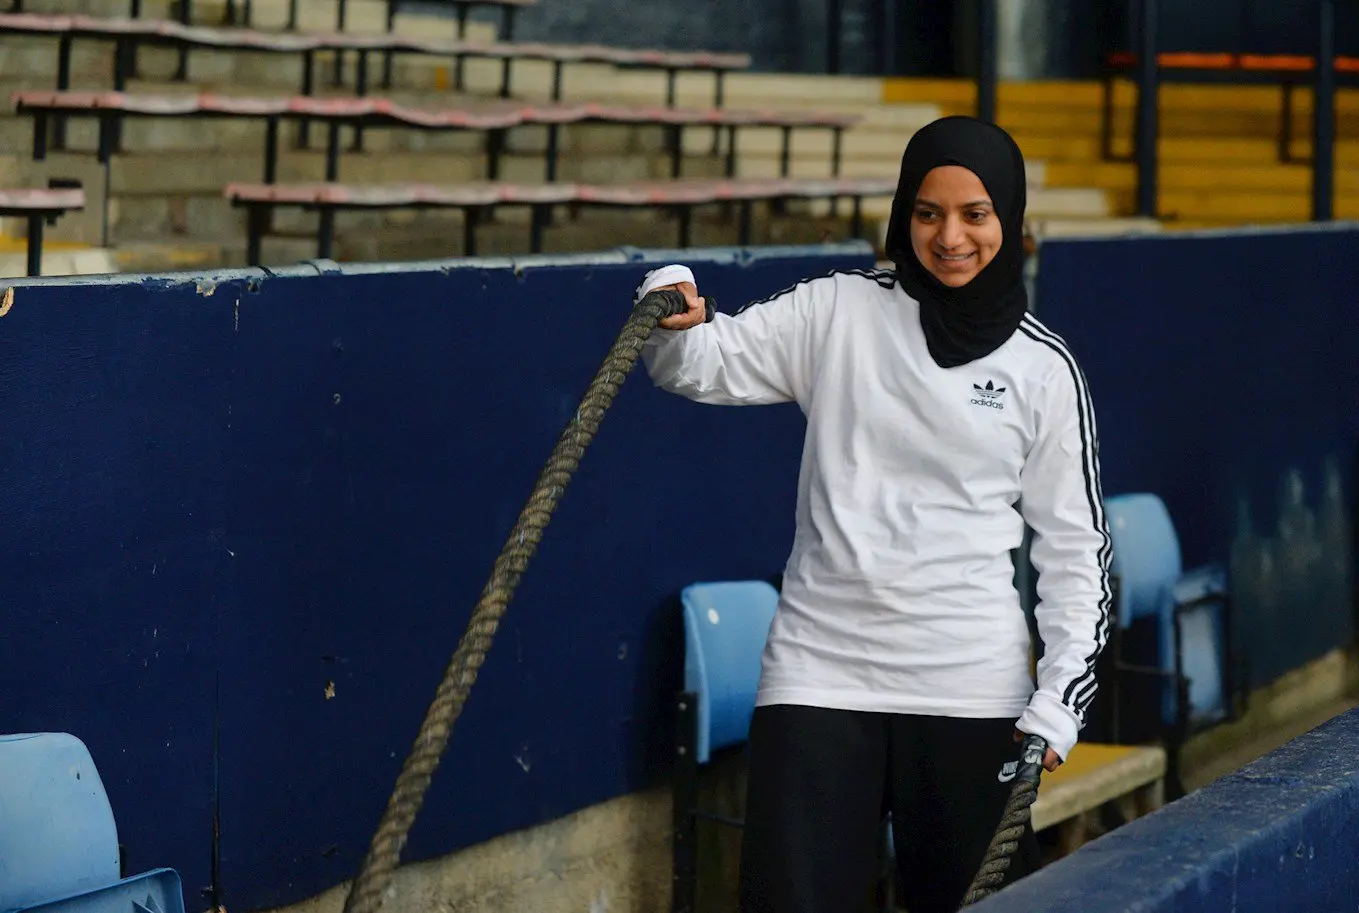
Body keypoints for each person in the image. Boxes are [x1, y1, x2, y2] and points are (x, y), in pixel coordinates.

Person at [635, 115, 1111, 913]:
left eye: (974, 214)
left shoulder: (1042, 368)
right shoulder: (837, 311)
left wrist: (1060, 693)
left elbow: (1075, 550)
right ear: (901, 216)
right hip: (818, 673)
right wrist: (669, 313)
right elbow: (701, 364)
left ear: (1009, 218)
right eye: (927, 213)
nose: (949, 237)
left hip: (972, 690)